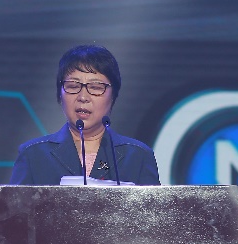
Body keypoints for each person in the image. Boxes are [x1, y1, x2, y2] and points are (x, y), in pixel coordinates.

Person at [9, 45, 160, 185]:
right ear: (60, 94)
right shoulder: (34, 155)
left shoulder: (137, 157)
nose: (83, 97)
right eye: (73, 86)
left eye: (95, 87)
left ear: (113, 96)